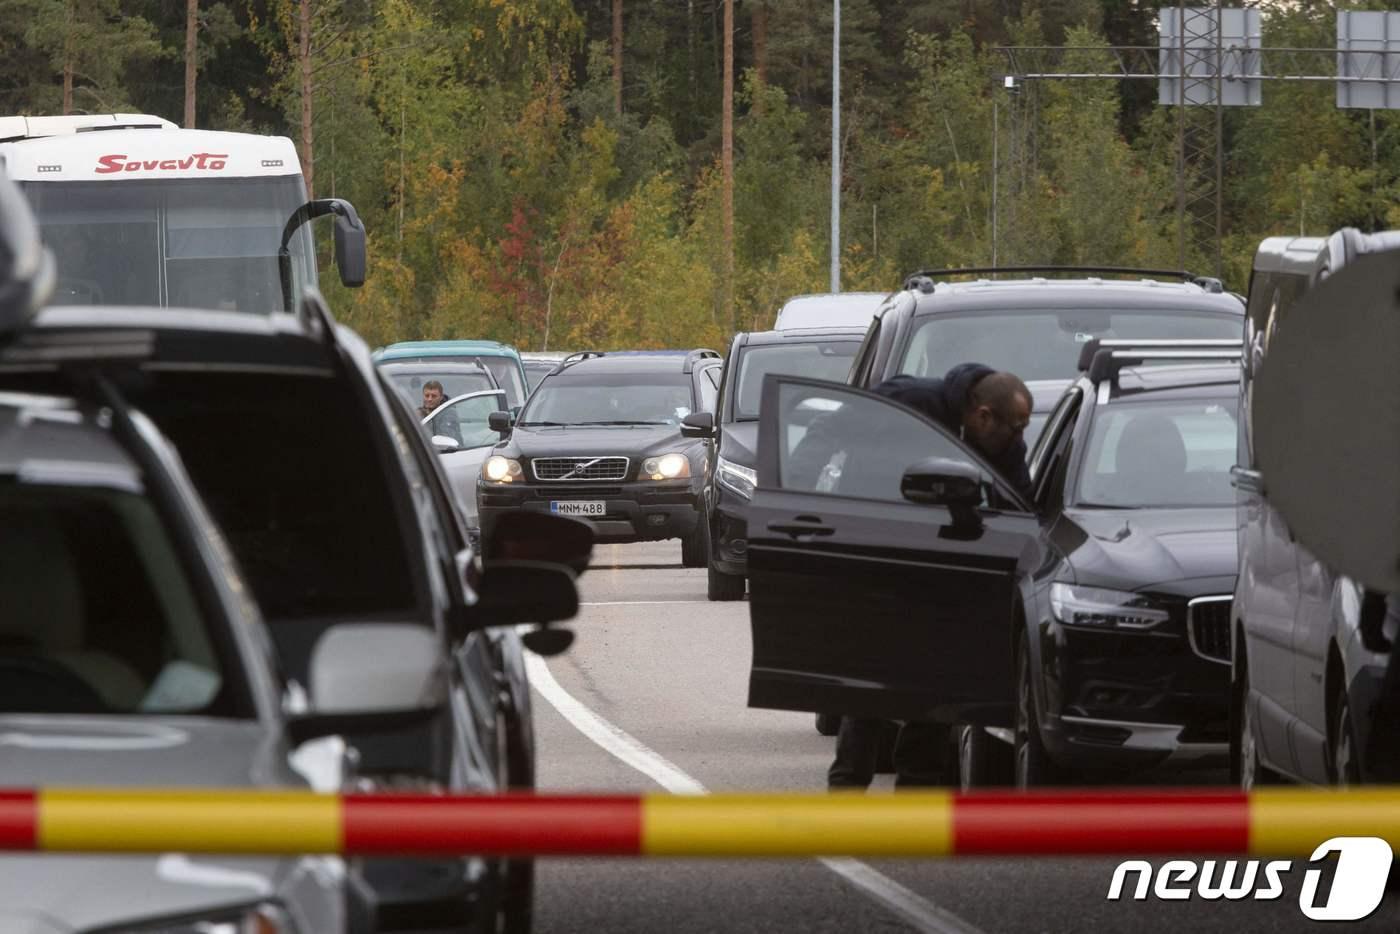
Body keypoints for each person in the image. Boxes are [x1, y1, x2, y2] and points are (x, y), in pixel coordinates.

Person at [828, 363, 1034, 791]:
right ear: (982, 415)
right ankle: (846, 790)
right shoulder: (908, 402)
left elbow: (1019, 508)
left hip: (945, 574)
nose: (1018, 439)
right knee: (870, 682)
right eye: (1014, 428)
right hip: (879, 561)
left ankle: (916, 794)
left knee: (936, 683)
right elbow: (830, 435)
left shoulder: (1005, 445)